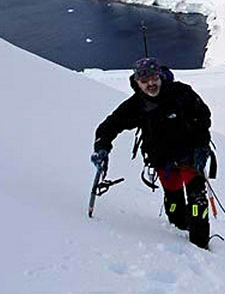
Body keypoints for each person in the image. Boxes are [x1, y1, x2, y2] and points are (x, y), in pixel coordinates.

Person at [90, 57, 212, 249]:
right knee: (175, 206)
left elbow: (203, 116)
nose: (150, 84)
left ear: (160, 76)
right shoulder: (136, 105)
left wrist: (202, 145)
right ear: (137, 82)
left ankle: (200, 245)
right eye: (144, 80)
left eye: (153, 78)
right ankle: (178, 225)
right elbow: (109, 126)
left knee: (198, 201)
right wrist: (102, 147)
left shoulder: (182, 93)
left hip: (190, 158)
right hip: (163, 163)